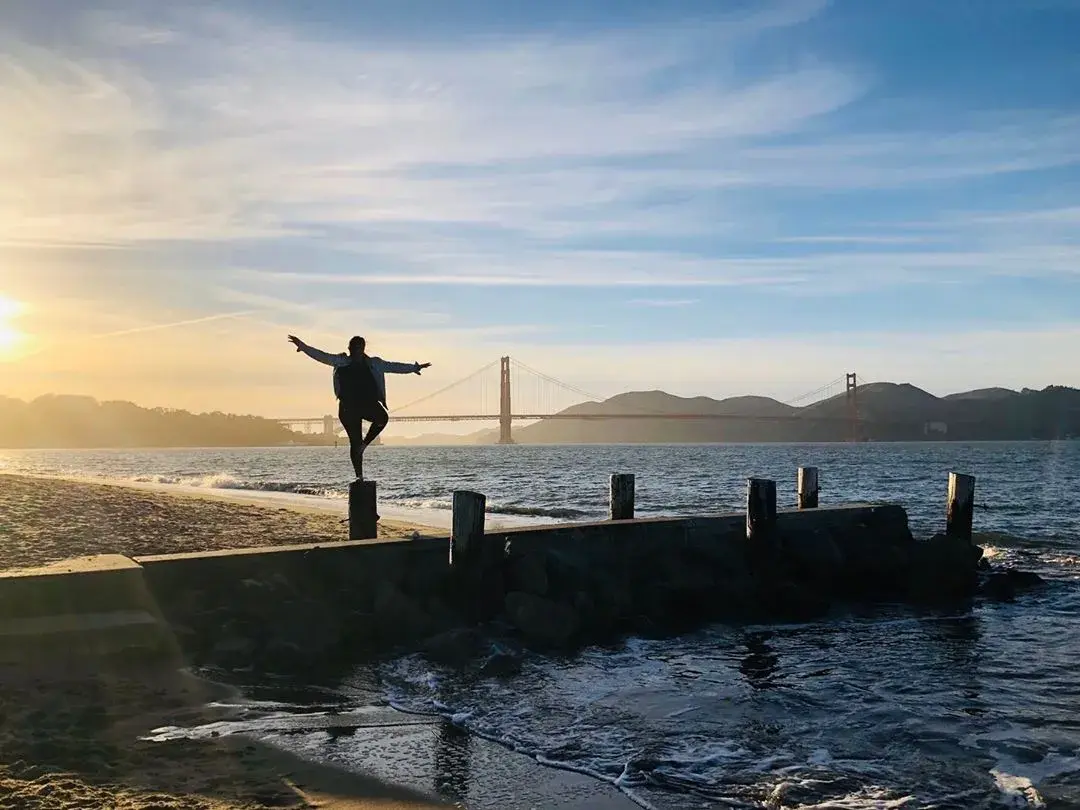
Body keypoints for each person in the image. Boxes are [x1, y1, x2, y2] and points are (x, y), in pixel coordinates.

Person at [288, 334, 431, 479]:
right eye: (354, 348)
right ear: (349, 349)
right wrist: (303, 347)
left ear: (363, 349)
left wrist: (414, 368)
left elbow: (394, 366)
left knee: (382, 418)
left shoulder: (374, 363)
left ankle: (364, 445)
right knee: (354, 442)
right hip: (348, 408)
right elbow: (321, 356)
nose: (357, 351)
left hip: (368, 404)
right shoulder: (341, 361)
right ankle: (359, 477)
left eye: (359, 348)